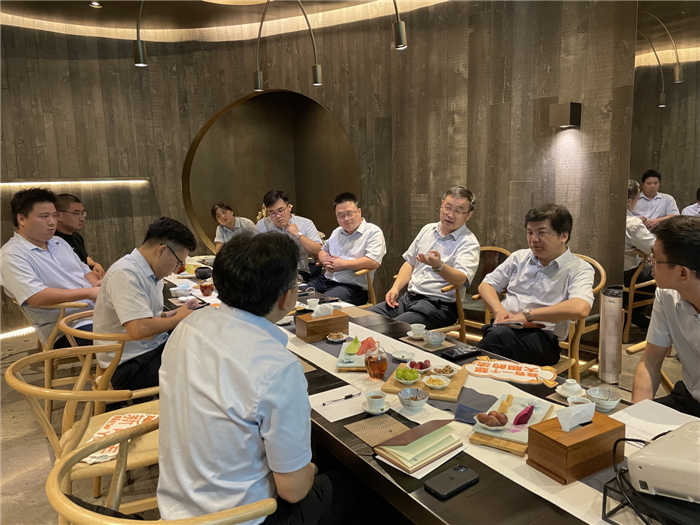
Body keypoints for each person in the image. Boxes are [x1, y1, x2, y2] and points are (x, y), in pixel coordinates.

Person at [158, 232, 355, 524]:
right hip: (244, 517)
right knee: (359, 485)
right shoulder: (277, 368)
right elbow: (292, 491)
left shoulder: (190, 325)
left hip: (179, 506)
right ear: (287, 297)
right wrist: (311, 469)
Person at [476, 204, 594, 366]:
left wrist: (528, 315)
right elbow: (486, 285)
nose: (534, 239)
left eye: (541, 233)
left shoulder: (579, 268)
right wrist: (499, 311)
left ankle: (468, 371)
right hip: (505, 327)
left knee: (496, 339)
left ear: (563, 236)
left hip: (543, 340)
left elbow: (580, 308)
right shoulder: (519, 258)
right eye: (530, 232)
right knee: (497, 338)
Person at [92, 217, 198, 391]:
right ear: (162, 250)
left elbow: (146, 315)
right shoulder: (126, 273)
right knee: (205, 362)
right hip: (128, 365)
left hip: (146, 351)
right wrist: (179, 317)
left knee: (202, 344)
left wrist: (173, 313)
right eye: (178, 262)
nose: (175, 269)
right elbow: (138, 328)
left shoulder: (147, 272)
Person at [0, 188, 100, 348]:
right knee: (133, 335)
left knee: (142, 326)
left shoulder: (60, 242)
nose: (52, 222)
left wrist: (96, 284)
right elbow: (36, 296)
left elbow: (85, 271)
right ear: (22, 219)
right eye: (44, 216)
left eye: (54, 215)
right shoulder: (12, 255)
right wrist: (88, 292)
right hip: (66, 328)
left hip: (97, 313)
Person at [369, 187, 480, 329]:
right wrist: (395, 288)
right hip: (408, 298)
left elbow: (461, 280)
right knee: (362, 319)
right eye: (447, 208)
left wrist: (439, 266)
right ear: (441, 205)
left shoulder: (468, 242)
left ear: (468, 215)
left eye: (458, 211)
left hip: (439, 306)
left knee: (392, 328)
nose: (450, 215)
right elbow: (410, 263)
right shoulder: (428, 230)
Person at [631, 216, 700, 417]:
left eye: (655, 260)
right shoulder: (666, 294)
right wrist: (638, 418)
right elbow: (650, 362)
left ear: (682, 273)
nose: (651, 265)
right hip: (689, 398)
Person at [307, 193, 386, 305]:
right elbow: (323, 250)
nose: (346, 219)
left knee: (323, 304)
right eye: (341, 215)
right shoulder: (337, 232)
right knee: (295, 293)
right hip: (326, 280)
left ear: (359, 211)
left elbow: (373, 262)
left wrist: (343, 264)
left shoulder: (373, 232)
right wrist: (324, 260)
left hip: (352, 287)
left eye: (349, 214)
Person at [256, 190, 323, 279]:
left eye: (280, 210)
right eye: (272, 213)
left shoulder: (305, 223)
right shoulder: (262, 224)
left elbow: (318, 251)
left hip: (298, 271)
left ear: (289, 207)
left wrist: (299, 235)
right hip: (270, 271)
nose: (278, 216)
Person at [624, 179, 657, 329]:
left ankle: (632, 314)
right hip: (628, 274)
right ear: (628, 201)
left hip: (605, 271)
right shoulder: (632, 223)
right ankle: (634, 314)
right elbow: (654, 247)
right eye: (638, 198)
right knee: (659, 273)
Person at [54, 193, 105, 277]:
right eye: (76, 213)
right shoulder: (52, 241)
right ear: (58, 215)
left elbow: (83, 258)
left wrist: (95, 264)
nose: (82, 219)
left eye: (82, 213)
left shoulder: (77, 236)